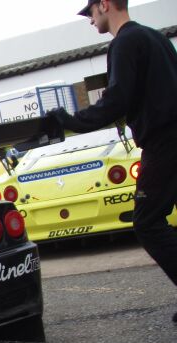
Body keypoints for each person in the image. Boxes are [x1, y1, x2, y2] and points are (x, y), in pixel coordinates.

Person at [48, 0, 177, 324]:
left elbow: (116, 100)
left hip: (164, 143)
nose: (91, 21)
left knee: (147, 222)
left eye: (90, 13)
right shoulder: (156, 37)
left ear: (104, 5)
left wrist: (69, 120)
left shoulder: (125, 43)